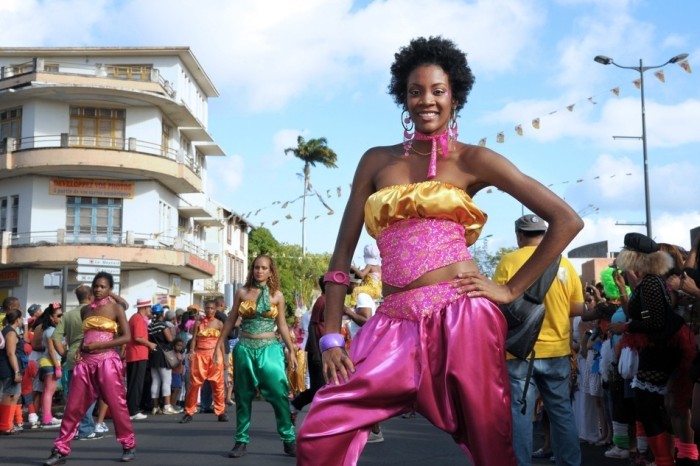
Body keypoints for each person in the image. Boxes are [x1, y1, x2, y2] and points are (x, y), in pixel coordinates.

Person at [296, 36, 583, 466]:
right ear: (403, 98)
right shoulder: (375, 161)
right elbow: (340, 261)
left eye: (437, 90)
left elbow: (566, 220)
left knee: (492, 445)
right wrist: (333, 336)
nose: (425, 100)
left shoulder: (474, 160)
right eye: (415, 91)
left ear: (455, 97)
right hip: (392, 323)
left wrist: (509, 290)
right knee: (322, 424)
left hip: (462, 318)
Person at [493, 215, 583, 466]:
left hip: (520, 351)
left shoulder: (509, 262)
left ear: (519, 235)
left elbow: (498, 304)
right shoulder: (563, 264)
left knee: (521, 414)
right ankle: (570, 463)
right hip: (558, 349)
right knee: (561, 412)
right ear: (544, 235)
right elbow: (576, 307)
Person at [609, 233, 696, 466]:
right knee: (652, 406)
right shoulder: (649, 282)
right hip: (658, 348)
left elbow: (655, 321)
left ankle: (665, 460)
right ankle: (663, 459)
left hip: (660, 349)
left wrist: (625, 326)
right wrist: (626, 296)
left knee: (649, 406)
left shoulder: (650, 284)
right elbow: (647, 315)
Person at [43, 271, 136, 465]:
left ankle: (128, 444)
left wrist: (98, 347)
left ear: (110, 289)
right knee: (72, 407)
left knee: (117, 404)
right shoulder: (85, 311)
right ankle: (60, 449)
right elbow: (86, 336)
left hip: (107, 361)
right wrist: (78, 350)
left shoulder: (116, 308)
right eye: (96, 286)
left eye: (103, 286)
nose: (98, 289)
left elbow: (126, 337)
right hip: (85, 363)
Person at [217, 254, 298, 458]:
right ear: (252, 270)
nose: (259, 271)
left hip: (270, 349)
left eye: (263, 268)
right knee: (243, 396)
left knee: (279, 394)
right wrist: (219, 344)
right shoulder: (242, 293)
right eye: (256, 267)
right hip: (244, 348)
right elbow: (230, 320)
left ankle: (288, 439)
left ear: (271, 271)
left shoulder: (277, 296)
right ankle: (241, 441)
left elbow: (282, 325)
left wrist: (291, 350)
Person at [52, 285, 104, 440]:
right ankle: (85, 429)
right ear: (90, 297)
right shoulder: (94, 312)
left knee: (75, 395)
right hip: (90, 357)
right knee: (90, 394)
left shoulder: (67, 315)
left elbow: (55, 337)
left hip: (72, 357)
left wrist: (63, 353)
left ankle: (75, 428)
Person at [179, 299, 228, 424]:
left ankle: (220, 412)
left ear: (215, 310)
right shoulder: (198, 323)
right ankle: (189, 412)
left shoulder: (219, 323)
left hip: (215, 355)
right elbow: (194, 339)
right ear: (204, 309)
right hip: (200, 355)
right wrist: (191, 351)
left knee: (218, 385)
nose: (209, 310)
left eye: (212, 308)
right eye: (207, 308)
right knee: (194, 384)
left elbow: (221, 342)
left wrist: (224, 359)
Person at [125, 298, 155, 421]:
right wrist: (150, 344)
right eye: (149, 307)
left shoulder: (136, 318)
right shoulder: (137, 319)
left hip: (136, 354)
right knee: (136, 383)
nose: (150, 310)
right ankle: (133, 410)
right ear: (144, 308)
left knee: (134, 383)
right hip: (137, 355)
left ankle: (132, 409)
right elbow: (138, 337)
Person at [37, 303, 64, 429]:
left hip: (50, 363)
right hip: (50, 363)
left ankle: (47, 416)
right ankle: (47, 418)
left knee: (48, 391)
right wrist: (57, 367)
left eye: (62, 315)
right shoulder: (51, 331)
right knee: (48, 391)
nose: (61, 317)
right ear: (51, 318)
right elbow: (52, 351)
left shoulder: (51, 330)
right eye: (59, 315)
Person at [148, 304, 177, 415]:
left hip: (153, 354)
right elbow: (170, 339)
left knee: (155, 381)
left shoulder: (150, 326)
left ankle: (155, 407)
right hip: (163, 355)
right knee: (166, 381)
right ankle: (167, 406)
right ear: (162, 314)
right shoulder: (162, 325)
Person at [0, 308, 24, 434]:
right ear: (17, 319)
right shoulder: (10, 332)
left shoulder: (6, 331)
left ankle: (7, 424)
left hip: (6, 367)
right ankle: (5, 425)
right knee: (10, 395)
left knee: (12, 395)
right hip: (8, 368)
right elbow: (10, 353)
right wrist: (16, 371)